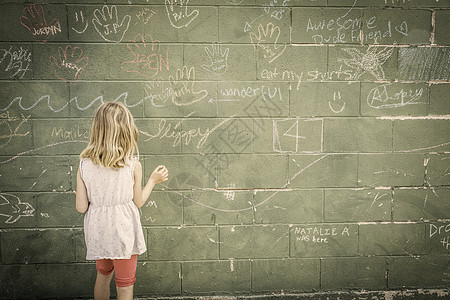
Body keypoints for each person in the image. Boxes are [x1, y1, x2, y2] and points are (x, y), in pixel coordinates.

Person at [75, 102, 168, 300]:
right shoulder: (132, 164)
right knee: (124, 284)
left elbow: (81, 207)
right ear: (126, 130)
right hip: (123, 231)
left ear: (97, 129)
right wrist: (153, 180)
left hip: (98, 231)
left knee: (103, 277)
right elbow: (139, 201)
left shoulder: (84, 164)